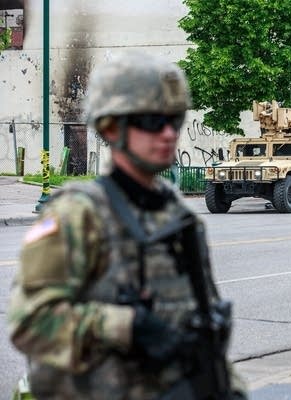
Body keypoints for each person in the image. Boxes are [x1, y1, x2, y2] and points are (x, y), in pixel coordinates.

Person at [8, 52, 247, 399]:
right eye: (151, 121)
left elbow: (200, 328)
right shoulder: (78, 215)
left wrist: (228, 386)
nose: (168, 133)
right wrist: (127, 326)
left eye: (175, 120)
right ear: (110, 127)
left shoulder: (181, 219)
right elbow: (29, 324)